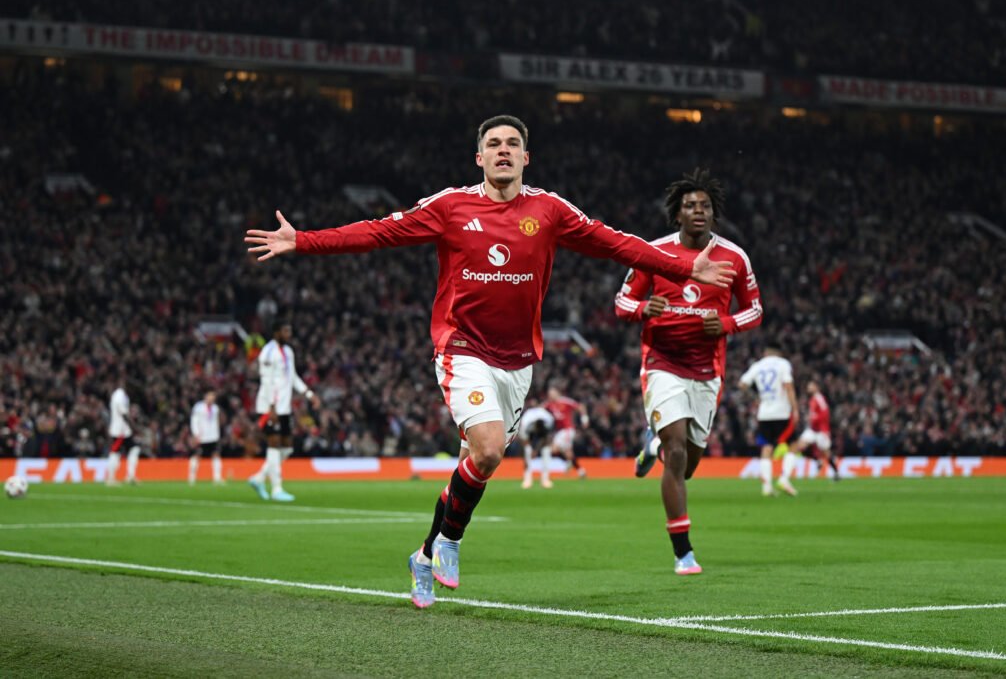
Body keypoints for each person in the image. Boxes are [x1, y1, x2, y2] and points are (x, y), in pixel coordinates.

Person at [245, 114, 736, 608]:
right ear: (479, 157)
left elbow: (614, 243)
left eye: (513, 143)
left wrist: (682, 265)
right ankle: (451, 543)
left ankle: (424, 554)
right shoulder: (451, 206)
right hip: (462, 347)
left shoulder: (550, 210)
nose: (504, 150)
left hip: (518, 361)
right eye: (494, 144)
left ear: (526, 157)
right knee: (488, 449)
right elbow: (377, 232)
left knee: (473, 466)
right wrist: (302, 240)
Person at [615, 167, 762, 576]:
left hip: (707, 371)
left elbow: (755, 309)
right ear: (676, 214)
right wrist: (644, 308)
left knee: (687, 464)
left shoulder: (734, 257)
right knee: (677, 452)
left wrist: (728, 323)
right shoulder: (653, 254)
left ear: (714, 215)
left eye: (705, 206)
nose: (698, 211)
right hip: (662, 363)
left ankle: (654, 445)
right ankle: (683, 552)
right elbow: (622, 303)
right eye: (689, 206)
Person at [248, 320, 321, 502]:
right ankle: (276, 488)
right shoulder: (268, 353)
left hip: (284, 407)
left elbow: (293, 376)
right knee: (273, 445)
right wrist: (271, 406)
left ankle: (258, 478)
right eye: (285, 331)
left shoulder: (288, 352)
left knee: (287, 448)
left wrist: (309, 394)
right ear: (276, 332)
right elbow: (266, 381)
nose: (288, 334)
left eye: (289, 330)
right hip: (269, 407)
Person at [739, 345, 799, 496]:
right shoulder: (783, 364)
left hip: (764, 413)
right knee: (793, 445)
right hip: (782, 412)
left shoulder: (757, 366)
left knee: (766, 448)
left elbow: (742, 384)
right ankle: (784, 479)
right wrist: (795, 408)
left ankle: (766, 487)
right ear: (778, 353)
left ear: (766, 352)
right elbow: (788, 386)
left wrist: (755, 398)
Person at [791, 380, 839, 479]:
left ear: (817, 387)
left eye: (811, 385)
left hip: (822, 430)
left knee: (826, 453)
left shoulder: (820, 398)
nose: (808, 387)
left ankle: (835, 472)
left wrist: (813, 418)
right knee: (800, 445)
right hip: (812, 430)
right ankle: (817, 461)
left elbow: (825, 414)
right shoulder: (812, 400)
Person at [544, 383, 588, 481]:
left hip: (567, 430)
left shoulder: (566, 401)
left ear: (557, 393)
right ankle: (578, 469)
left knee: (554, 449)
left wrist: (585, 419)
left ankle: (571, 464)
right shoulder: (549, 404)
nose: (550, 395)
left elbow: (581, 407)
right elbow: (540, 409)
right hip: (560, 431)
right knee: (567, 453)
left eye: (551, 393)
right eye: (549, 393)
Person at [105, 376, 141, 486]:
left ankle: (130, 476)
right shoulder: (119, 396)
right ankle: (110, 479)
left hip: (124, 430)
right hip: (119, 430)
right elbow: (124, 414)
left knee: (134, 448)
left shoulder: (123, 396)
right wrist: (134, 427)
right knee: (115, 453)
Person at [189, 390, 225, 485]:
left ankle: (217, 477)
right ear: (206, 396)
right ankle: (192, 476)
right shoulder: (198, 407)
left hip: (213, 436)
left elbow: (216, 423)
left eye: (213, 396)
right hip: (202, 436)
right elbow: (194, 421)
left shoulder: (216, 408)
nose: (212, 397)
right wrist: (196, 434)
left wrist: (218, 435)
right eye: (210, 395)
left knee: (216, 454)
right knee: (197, 455)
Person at [518, 402, 555, 489]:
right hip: (528, 435)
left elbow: (546, 440)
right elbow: (524, 440)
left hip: (543, 435)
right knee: (528, 451)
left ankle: (545, 479)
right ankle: (527, 479)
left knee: (546, 451)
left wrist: (537, 450)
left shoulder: (549, 420)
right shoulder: (526, 422)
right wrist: (533, 450)